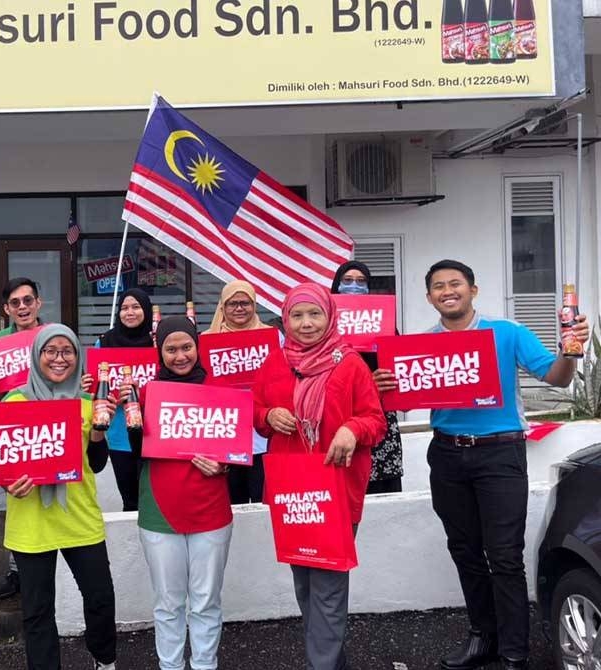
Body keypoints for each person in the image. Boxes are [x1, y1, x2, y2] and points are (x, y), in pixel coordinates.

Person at [373, 260, 589, 670]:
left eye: (455, 283)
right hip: (448, 454)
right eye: (438, 286)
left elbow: (557, 379)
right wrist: (382, 385)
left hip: (499, 454)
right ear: (429, 297)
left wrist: (570, 351)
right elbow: (395, 397)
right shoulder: (420, 346)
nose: (447, 290)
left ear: (473, 289)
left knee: (504, 556)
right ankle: (482, 638)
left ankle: (514, 651)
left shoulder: (506, 333)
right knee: (465, 551)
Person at [252, 283, 387, 670]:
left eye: (315, 314)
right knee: (306, 585)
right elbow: (255, 411)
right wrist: (267, 417)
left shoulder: (350, 364)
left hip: (336, 488)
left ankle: (321, 666)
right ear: (286, 319)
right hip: (293, 490)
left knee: (327, 588)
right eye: (297, 315)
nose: (306, 323)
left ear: (330, 317)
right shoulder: (275, 363)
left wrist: (352, 429)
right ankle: (331, 662)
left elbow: (376, 421)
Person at [3, 324, 117, 670]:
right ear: (36, 356)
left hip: (79, 516)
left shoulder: (87, 403)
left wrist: (98, 431)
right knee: (37, 610)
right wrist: (7, 483)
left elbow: (95, 465)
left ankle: (104, 659)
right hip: (30, 520)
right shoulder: (14, 401)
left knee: (100, 599)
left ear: (77, 357)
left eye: (67, 351)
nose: (58, 358)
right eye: (49, 351)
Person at [128, 316, 233, 670]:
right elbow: (135, 448)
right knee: (169, 603)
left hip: (211, 508)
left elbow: (236, 448)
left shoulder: (220, 390)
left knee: (205, 601)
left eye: (186, 347)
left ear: (197, 347)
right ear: (160, 353)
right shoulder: (146, 393)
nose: (179, 355)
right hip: (159, 510)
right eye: (170, 349)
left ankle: (205, 665)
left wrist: (224, 465)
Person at [0, 277, 48, 599]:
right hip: (14, 430)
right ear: (7, 309)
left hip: (50, 428)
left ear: (38, 303)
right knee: (17, 498)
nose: (23, 307)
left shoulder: (52, 334)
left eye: (28, 300)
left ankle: (50, 565)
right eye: (15, 303)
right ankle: (17, 571)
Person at [330, 261, 405, 494]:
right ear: (336, 286)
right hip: (337, 413)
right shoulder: (323, 324)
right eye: (348, 281)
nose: (354, 286)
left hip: (379, 415)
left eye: (361, 282)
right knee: (340, 482)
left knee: (381, 492)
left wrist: (387, 379)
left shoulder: (385, 324)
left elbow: (400, 368)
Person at [81, 288, 154, 512]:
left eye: (135, 307)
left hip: (153, 434)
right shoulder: (104, 342)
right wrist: (87, 387)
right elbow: (96, 389)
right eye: (124, 308)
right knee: (130, 501)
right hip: (118, 435)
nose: (129, 313)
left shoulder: (157, 342)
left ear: (146, 311)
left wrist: (142, 394)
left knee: (154, 500)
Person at [203, 280, 270, 504]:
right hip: (226, 433)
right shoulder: (206, 341)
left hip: (262, 434)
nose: (239, 308)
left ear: (254, 305)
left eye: (245, 303)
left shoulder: (273, 338)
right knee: (232, 502)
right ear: (222, 307)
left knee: (263, 502)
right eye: (233, 303)